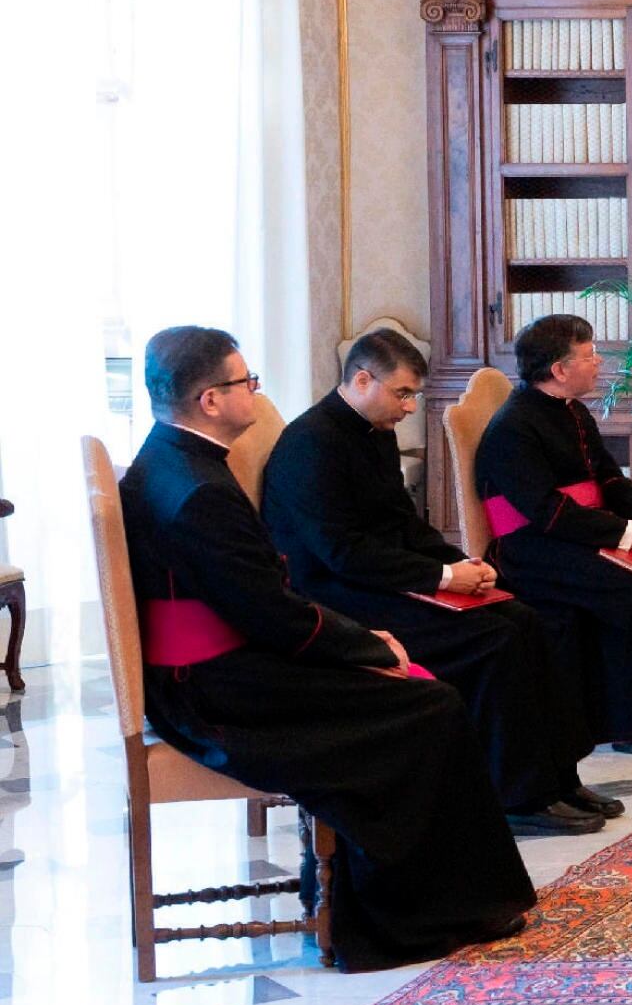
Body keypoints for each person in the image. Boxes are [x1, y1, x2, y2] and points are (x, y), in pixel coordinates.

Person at [119, 327, 535, 969]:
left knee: (429, 697)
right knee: (428, 708)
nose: (254, 391)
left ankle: (431, 897)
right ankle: (403, 917)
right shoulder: (198, 490)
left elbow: (262, 602)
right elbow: (274, 617)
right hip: (216, 690)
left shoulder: (175, 459)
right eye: (244, 381)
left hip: (217, 667)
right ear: (209, 400)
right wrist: (367, 646)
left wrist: (360, 643)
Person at [264, 329, 614, 835]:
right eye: (402, 393)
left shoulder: (374, 430)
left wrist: (461, 563)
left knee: (524, 618)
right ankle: (517, 795)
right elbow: (340, 553)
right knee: (495, 640)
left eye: (413, 395)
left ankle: (558, 777)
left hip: (383, 577)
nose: (409, 408)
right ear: (362, 379)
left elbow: (404, 522)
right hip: (338, 597)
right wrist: (443, 576)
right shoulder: (311, 444)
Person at [475, 313, 632, 756]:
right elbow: (546, 511)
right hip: (532, 550)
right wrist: (628, 536)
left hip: (581, 533)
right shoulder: (514, 427)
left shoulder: (572, 411)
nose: (599, 364)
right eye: (590, 355)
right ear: (559, 369)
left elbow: (611, 479)